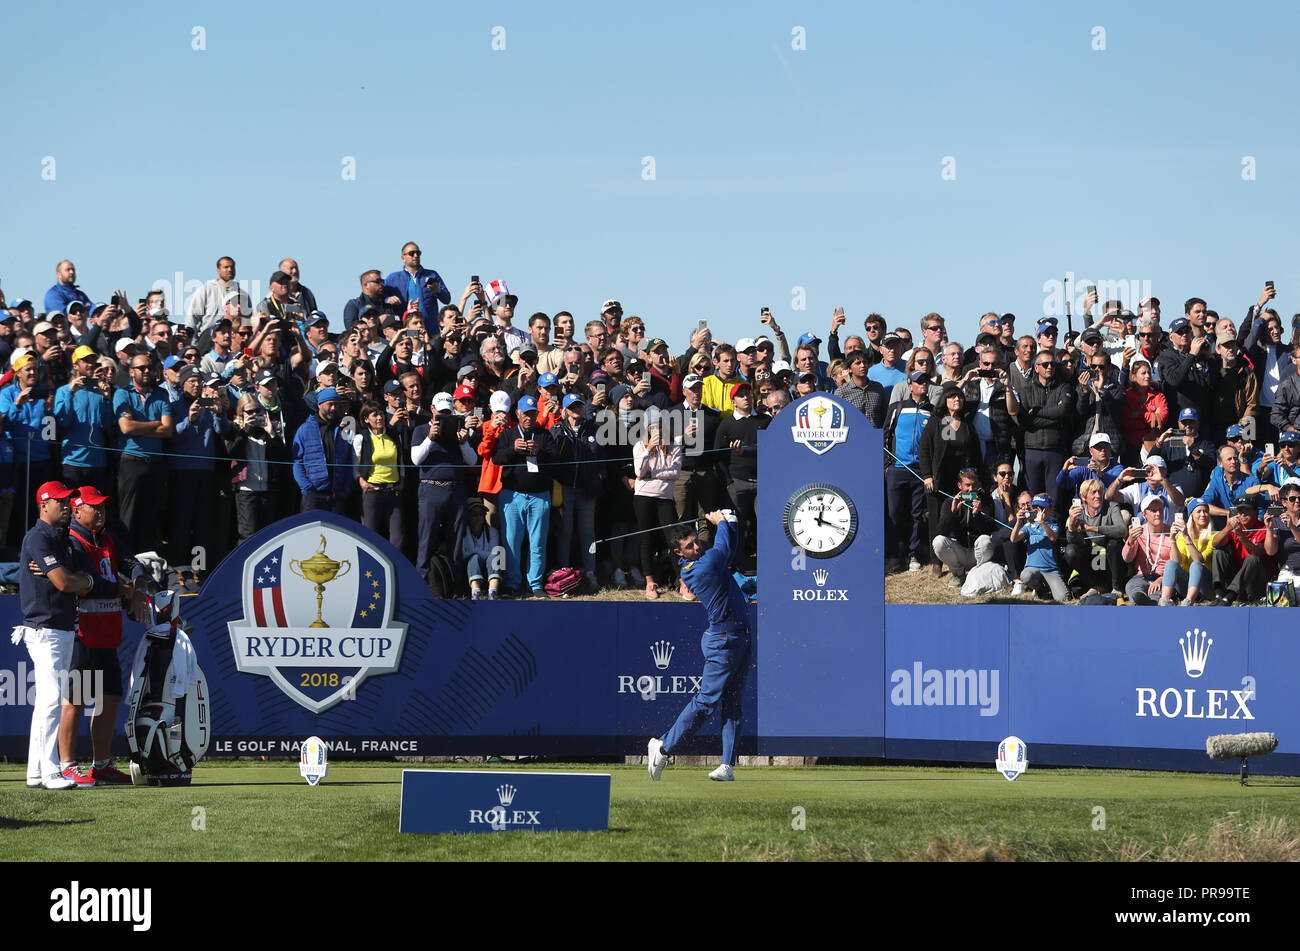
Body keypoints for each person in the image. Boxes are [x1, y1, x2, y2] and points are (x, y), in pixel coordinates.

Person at [13, 482, 130, 789]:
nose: (66, 505)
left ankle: (37, 771)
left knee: (48, 703)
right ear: (43, 505)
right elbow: (64, 582)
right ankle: (55, 770)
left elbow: (75, 577)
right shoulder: (40, 537)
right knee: (55, 700)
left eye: (68, 501)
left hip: (64, 628)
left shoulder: (62, 537)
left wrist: (83, 579)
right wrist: (83, 580)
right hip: (47, 628)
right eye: (61, 502)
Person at [647, 511, 751, 783]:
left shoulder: (705, 558)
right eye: (690, 545)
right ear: (678, 552)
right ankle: (663, 747)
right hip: (723, 642)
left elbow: (729, 545)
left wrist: (731, 520)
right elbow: (725, 549)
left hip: (739, 638)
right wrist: (723, 522)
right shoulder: (700, 567)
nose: (696, 546)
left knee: (733, 704)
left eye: (696, 541)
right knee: (706, 702)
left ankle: (727, 765)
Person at [57, 486, 147, 785]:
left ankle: (102, 763)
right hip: (84, 632)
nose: (101, 511)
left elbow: (134, 564)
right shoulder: (71, 541)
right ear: (77, 510)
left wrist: (138, 590)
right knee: (75, 701)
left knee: (110, 699)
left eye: (103, 506)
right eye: (94, 507)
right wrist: (121, 590)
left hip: (108, 633)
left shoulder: (107, 537)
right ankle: (67, 765)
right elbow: (84, 584)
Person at [632, 416, 683, 599]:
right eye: (652, 427)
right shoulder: (639, 446)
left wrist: (652, 473)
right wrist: (648, 449)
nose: (657, 431)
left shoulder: (674, 446)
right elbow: (638, 472)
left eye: (660, 427)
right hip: (644, 497)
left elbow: (676, 472)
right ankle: (650, 582)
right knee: (647, 539)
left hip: (665, 497)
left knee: (674, 539)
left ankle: (683, 582)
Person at [929, 468, 998, 587]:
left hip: (977, 553)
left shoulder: (986, 500)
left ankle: (977, 574)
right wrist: (953, 512)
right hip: (959, 552)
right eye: (967, 485)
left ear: (979, 484)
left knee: (986, 540)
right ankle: (958, 574)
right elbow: (941, 531)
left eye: (974, 485)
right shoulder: (949, 501)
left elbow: (989, 530)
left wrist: (977, 515)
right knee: (938, 541)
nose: (971, 489)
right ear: (959, 485)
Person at [291, 387, 356, 513]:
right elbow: (297, 461)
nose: (333, 408)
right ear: (320, 405)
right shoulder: (304, 429)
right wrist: (306, 487)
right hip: (313, 494)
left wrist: (345, 487)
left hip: (337, 494)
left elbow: (348, 459)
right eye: (330, 404)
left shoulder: (344, 428)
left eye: (336, 405)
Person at [1062, 478, 1128, 598]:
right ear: (1083, 497)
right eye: (1093, 492)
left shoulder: (1112, 506)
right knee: (1070, 551)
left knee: (1115, 543)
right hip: (1090, 559)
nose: (1098, 496)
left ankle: (1117, 588)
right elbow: (1072, 541)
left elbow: (1122, 530)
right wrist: (1071, 525)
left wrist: (1093, 528)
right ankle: (1098, 585)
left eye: (1100, 492)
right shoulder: (1078, 512)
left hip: (1110, 559)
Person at [1010, 494, 1068, 602]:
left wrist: (1042, 523)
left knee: (1063, 598)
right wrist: (1018, 522)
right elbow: (1013, 539)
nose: (1038, 511)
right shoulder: (1028, 526)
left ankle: (1046, 588)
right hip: (1033, 569)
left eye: (1041, 508)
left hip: (1051, 570)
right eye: (1035, 507)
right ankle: (1039, 588)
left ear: (1050, 509)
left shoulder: (1053, 525)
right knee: (1025, 576)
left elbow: (1053, 537)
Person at [1121, 494, 1176, 605]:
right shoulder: (1138, 531)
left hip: (1164, 577)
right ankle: (1142, 601)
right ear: (1144, 515)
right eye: (1153, 510)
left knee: (1160, 591)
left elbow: (1176, 563)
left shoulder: (1172, 532)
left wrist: (1161, 579)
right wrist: (1131, 540)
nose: (1158, 514)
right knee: (1132, 586)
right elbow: (1127, 558)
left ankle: (1151, 603)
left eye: (1160, 510)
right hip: (1142, 575)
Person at [1165, 498, 1215, 605]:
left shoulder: (1213, 536)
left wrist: (1187, 536)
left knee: (1196, 565)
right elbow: (1177, 561)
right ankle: (1164, 600)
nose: (1203, 514)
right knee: (1170, 563)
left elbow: (1199, 560)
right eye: (1199, 511)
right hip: (1187, 585)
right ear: (1191, 515)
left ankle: (1189, 601)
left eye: (1206, 511)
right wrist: (1173, 539)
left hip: (1206, 587)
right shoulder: (1182, 537)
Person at [453, 497, 502, 599]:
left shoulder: (493, 532)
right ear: (467, 516)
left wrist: (475, 552)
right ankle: (476, 592)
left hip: (488, 567)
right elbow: (463, 554)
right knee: (474, 558)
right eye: (474, 515)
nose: (478, 517)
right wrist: (480, 554)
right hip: (469, 568)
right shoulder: (462, 533)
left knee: (494, 558)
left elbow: (495, 552)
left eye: (481, 513)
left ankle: (493, 592)